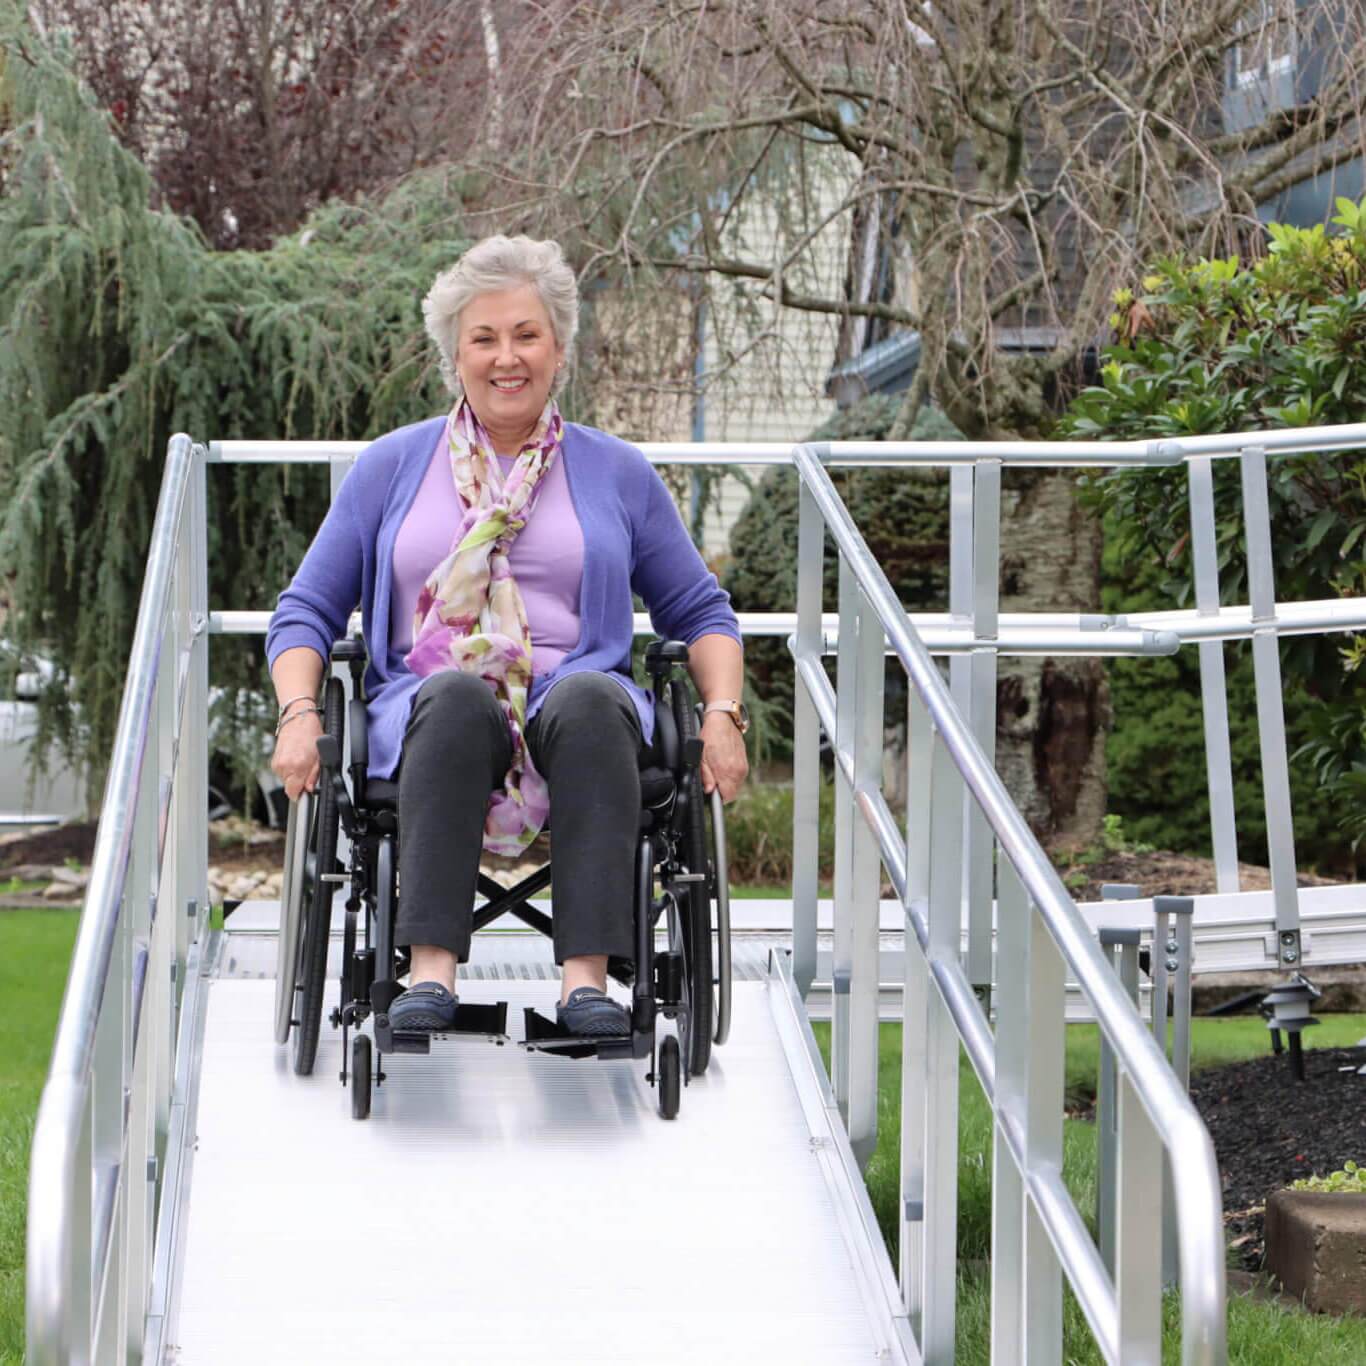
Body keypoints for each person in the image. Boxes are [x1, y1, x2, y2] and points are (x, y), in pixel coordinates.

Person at [267, 234, 747, 1039]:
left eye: (526, 334)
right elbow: (306, 609)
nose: (506, 357)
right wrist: (298, 713)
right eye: (484, 338)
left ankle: (586, 985)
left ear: (559, 347)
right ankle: (428, 974)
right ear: (455, 355)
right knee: (455, 695)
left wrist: (724, 713)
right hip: (425, 713)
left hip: (574, 713)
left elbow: (701, 612)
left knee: (595, 699)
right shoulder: (389, 467)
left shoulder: (617, 472)